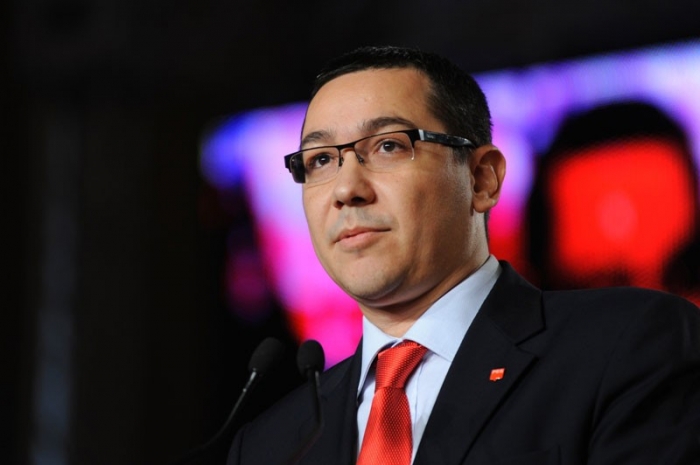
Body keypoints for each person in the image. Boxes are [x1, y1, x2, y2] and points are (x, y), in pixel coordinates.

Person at [227, 45, 700, 465]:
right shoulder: (266, 446)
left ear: (482, 179)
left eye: (389, 145)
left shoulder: (631, 346)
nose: (346, 189)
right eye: (321, 160)